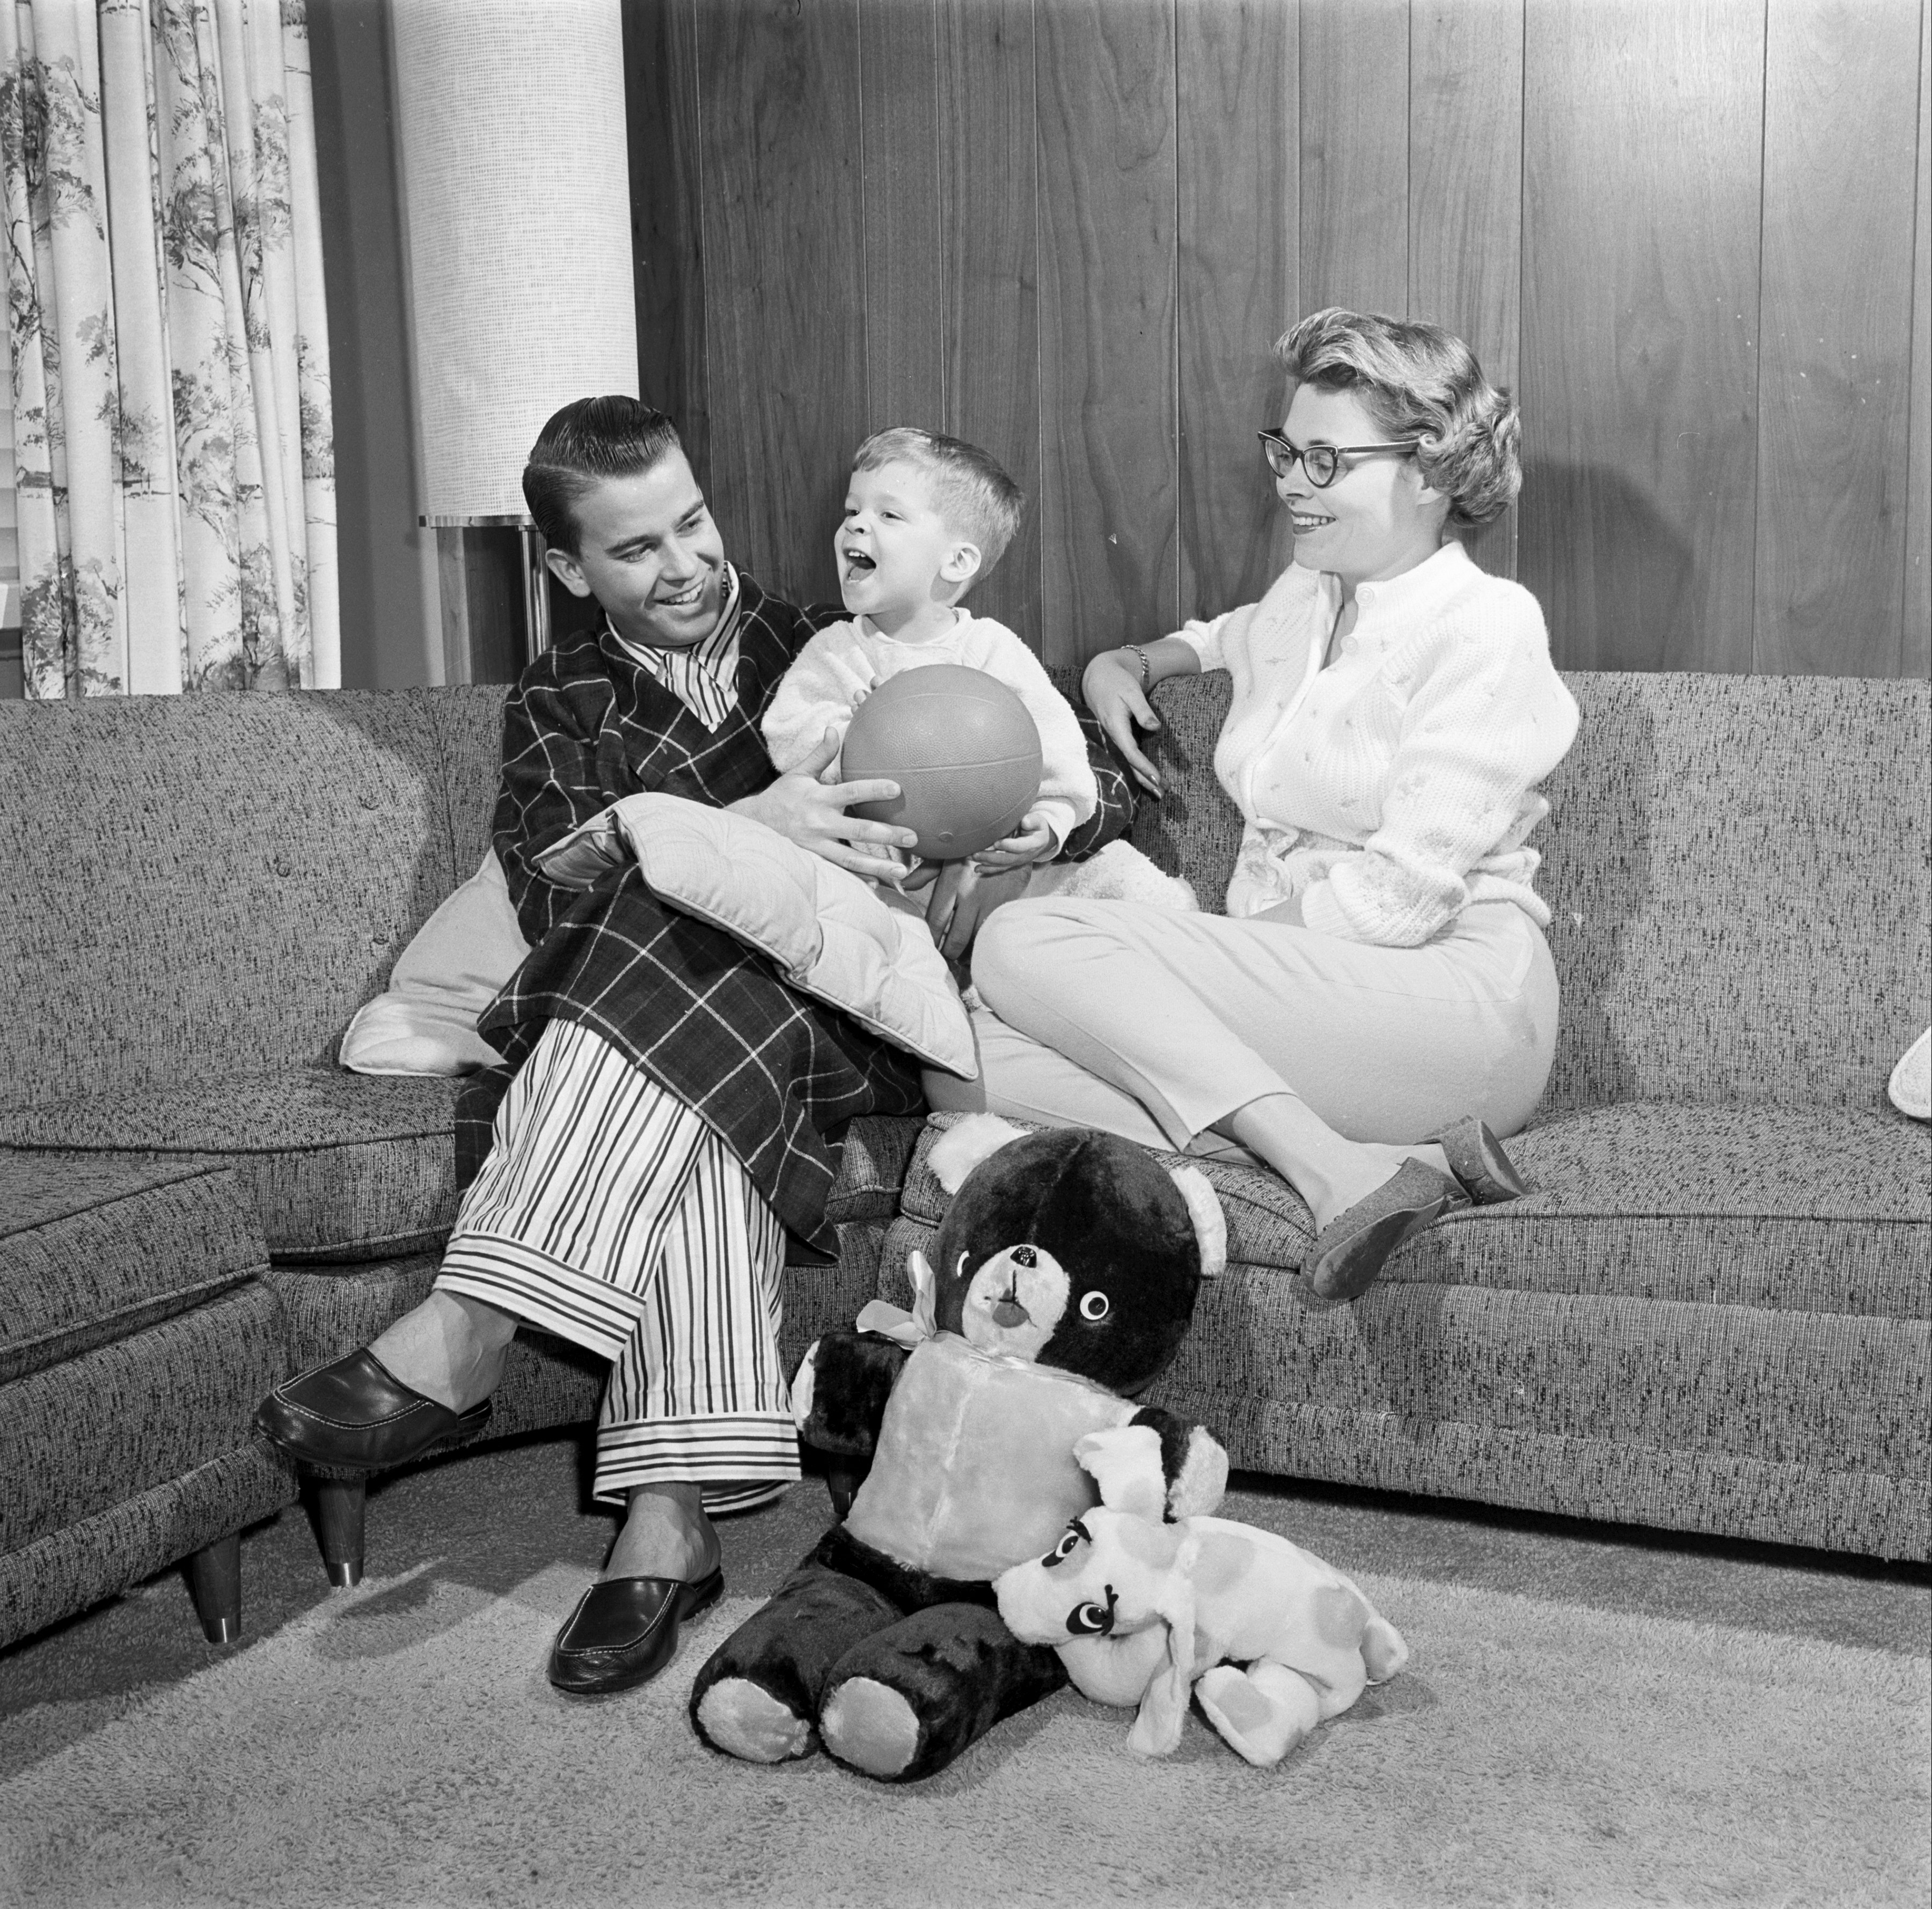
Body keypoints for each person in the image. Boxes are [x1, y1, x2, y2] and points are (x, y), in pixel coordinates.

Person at [254, 395, 1129, 1696]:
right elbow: (555, 902)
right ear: (565, 568)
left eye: (694, 524)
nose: (685, 566)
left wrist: (1008, 834)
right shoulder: (557, 697)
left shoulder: (817, 637)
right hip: (684, 1017)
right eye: (636, 548)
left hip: (843, 1014)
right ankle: (667, 1521)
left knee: (676, 949)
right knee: (677, 984)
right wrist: (747, 820)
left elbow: (1004, 757)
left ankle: (477, 1312)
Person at [932, 308, 1581, 1303]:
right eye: (1286, 449)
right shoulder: (1309, 593)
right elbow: (1231, 634)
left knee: (1023, 945)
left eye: (1327, 460)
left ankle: (1336, 1173)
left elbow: (1400, 899)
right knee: (957, 1057)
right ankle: (1406, 1159)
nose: (1289, 480)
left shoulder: (1487, 625)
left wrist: (1198, 964)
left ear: (1432, 469)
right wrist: (1134, 660)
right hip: (1327, 1013)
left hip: (1457, 999)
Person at [762, 426, 1097, 913]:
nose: (856, 525)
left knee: (1112, 885)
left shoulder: (991, 650)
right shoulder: (835, 651)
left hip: (986, 875)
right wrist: (861, 735)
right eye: (852, 511)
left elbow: (1060, 753)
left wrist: (1048, 826)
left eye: (889, 514)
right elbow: (787, 735)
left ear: (958, 561)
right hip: (871, 881)